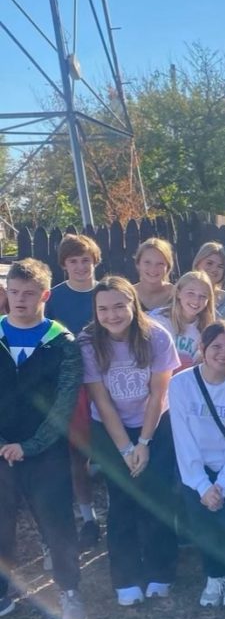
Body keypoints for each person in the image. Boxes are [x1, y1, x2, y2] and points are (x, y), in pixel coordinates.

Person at [79, 277, 180, 606]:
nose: (112, 315)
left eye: (119, 306)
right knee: (121, 500)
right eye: (103, 309)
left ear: (132, 304)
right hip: (110, 429)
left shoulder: (157, 336)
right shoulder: (89, 342)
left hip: (154, 425)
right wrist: (125, 448)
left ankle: (160, 571)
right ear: (95, 312)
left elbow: (157, 394)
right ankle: (125, 577)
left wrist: (144, 443)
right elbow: (102, 402)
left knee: (156, 498)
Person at [0, 259, 85, 619]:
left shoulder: (62, 343)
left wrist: (30, 446)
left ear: (45, 295)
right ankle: (3, 593)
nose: (20, 300)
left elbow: (64, 404)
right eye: (14, 292)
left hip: (45, 452)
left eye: (29, 294)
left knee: (57, 524)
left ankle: (70, 592)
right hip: (1, 451)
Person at [168, 321, 225, 607]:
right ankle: (213, 576)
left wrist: (222, 483)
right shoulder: (180, 384)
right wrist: (203, 485)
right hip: (195, 468)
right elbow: (183, 440)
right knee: (203, 525)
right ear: (202, 348)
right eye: (216, 347)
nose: (224, 353)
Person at [46, 234, 104, 549]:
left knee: (116, 448)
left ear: (95, 261)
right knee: (77, 453)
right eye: (73, 261)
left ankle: (130, 509)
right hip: (74, 385)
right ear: (64, 265)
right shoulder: (53, 299)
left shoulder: (109, 292)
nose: (81, 267)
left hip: (111, 382)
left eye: (86, 260)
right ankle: (89, 518)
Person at [151, 270, 216, 371]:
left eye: (203, 296)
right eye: (190, 293)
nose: (196, 300)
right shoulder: (158, 319)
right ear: (178, 293)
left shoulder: (206, 329)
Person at [132, 237, 175, 313]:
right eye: (147, 262)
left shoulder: (176, 296)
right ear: (138, 264)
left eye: (160, 264)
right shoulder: (128, 295)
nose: (153, 269)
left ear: (168, 267)